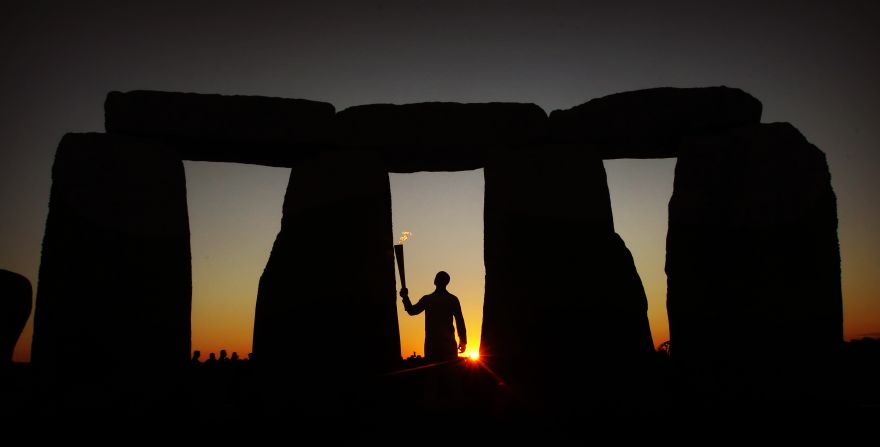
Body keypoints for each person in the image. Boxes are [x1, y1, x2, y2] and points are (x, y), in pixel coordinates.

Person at [400, 271, 467, 361]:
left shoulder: (428, 299)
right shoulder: (452, 299)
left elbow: (412, 311)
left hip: (432, 344)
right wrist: (463, 340)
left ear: (435, 281)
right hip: (447, 343)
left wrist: (405, 297)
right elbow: (460, 321)